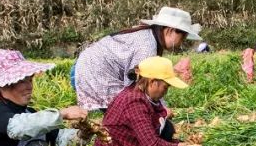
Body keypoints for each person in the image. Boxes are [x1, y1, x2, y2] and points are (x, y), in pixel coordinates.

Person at [90, 56, 203, 146]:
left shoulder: (142, 96)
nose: (166, 92)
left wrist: (177, 144)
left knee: (167, 128)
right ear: (153, 82)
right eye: (165, 87)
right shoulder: (134, 102)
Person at [72, 6, 202, 111]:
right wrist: (162, 109)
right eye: (182, 37)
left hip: (87, 66)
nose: (182, 42)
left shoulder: (150, 37)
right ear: (170, 30)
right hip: (94, 71)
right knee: (130, 112)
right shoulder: (147, 45)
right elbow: (139, 86)